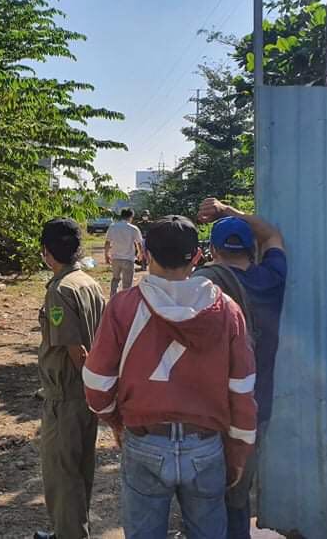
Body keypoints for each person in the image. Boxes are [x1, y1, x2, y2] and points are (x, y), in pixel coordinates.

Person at [83, 215, 257, 539]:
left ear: (145, 254)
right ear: (197, 256)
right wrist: (239, 452)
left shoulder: (123, 306)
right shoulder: (227, 310)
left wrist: (116, 421)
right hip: (206, 446)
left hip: (145, 439)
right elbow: (243, 390)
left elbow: (96, 384)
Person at [195, 198, 287, 539]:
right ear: (252, 250)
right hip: (254, 406)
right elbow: (272, 234)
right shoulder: (272, 279)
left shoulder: (204, 285)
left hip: (207, 408)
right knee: (237, 493)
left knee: (204, 496)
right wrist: (229, 211)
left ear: (213, 251)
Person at [36, 218, 107, 539]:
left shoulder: (60, 289)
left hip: (65, 396)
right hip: (86, 394)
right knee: (80, 468)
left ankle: (69, 534)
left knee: (62, 475)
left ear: (46, 252)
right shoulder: (89, 283)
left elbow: (76, 349)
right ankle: (73, 530)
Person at [104, 209, 145, 296]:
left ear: (121, 216)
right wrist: (140, 254)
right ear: (131, 217)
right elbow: (139, 243)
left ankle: (113, 298)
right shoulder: (133, 228)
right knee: (127, 284)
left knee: (115, 279)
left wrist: (106, 255)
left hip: (115, 258)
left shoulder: (113, 226)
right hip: (128, 259)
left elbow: (107, 242)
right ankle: (125, 300)